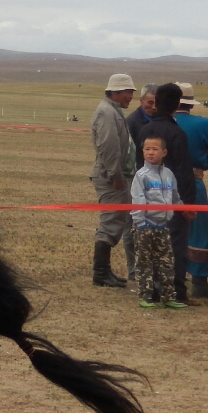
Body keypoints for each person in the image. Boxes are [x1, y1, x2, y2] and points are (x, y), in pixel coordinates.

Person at [139, 84, 198, 305]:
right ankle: (177, 293)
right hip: (172, 200)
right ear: (176, 104)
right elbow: (183, 171)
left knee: (151, 245)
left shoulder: (145, 130)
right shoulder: (176, 133)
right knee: (175, 246)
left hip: (148, 199)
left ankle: (152, 291)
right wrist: (188, 204)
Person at [173, 82, 208, 297]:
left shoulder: (164, 122)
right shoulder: (202, 123)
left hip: (165, 183)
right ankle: (199, 282)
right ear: (191, 104)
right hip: (193, 182)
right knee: (199, 230)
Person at [89, 73, 138, 288]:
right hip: (111, 177)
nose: (130, 97)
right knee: (110, 221)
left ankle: (104, 271)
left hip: (114, 175)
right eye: (128, 92)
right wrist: (116, 176)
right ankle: (100, 273)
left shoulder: (111, 111)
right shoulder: (107, 113)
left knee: (115, 219)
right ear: (116, 92)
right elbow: (109, 148)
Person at [130, 135, 185, 308]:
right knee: (144, 262)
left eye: (155, 149)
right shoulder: (141, 176)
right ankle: (145, 296)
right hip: (145, 225)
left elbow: (174, 195)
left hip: (163, 226)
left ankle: (168, 296)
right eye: (147, 149)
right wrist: (140, 222)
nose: (151, 153)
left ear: (164, 152)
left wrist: (182, 208)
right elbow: (137, 199)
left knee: (166, 261)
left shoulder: (168, 174)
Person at [127, 84, 157, 165]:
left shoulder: (164, 120)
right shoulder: (131, 122)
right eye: (150, 103)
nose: (154, 107)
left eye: (157, 103)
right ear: (141, 101)